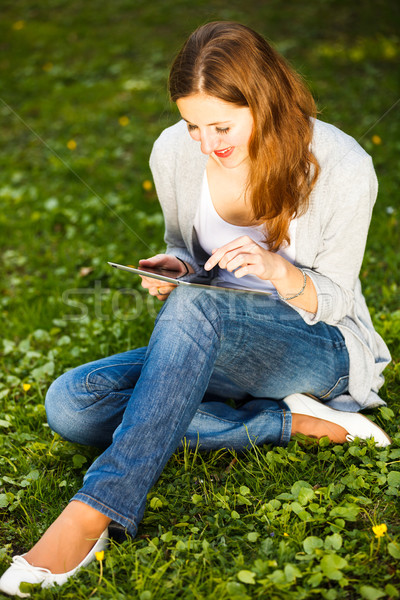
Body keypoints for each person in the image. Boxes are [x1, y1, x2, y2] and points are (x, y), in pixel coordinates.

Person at [0, 21, 392, 597]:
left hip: (319, 343)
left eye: (221, 126)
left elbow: (332, 297)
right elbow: (186, 247)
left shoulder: (341, 164)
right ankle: (286, 423)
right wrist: (177, 267)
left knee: (193, 312)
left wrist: (278, 269)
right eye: (192, 126)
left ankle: (93, 512)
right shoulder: (173, 153)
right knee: (72, 405)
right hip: (212, 338)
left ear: (263, 101)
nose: (206, 144)